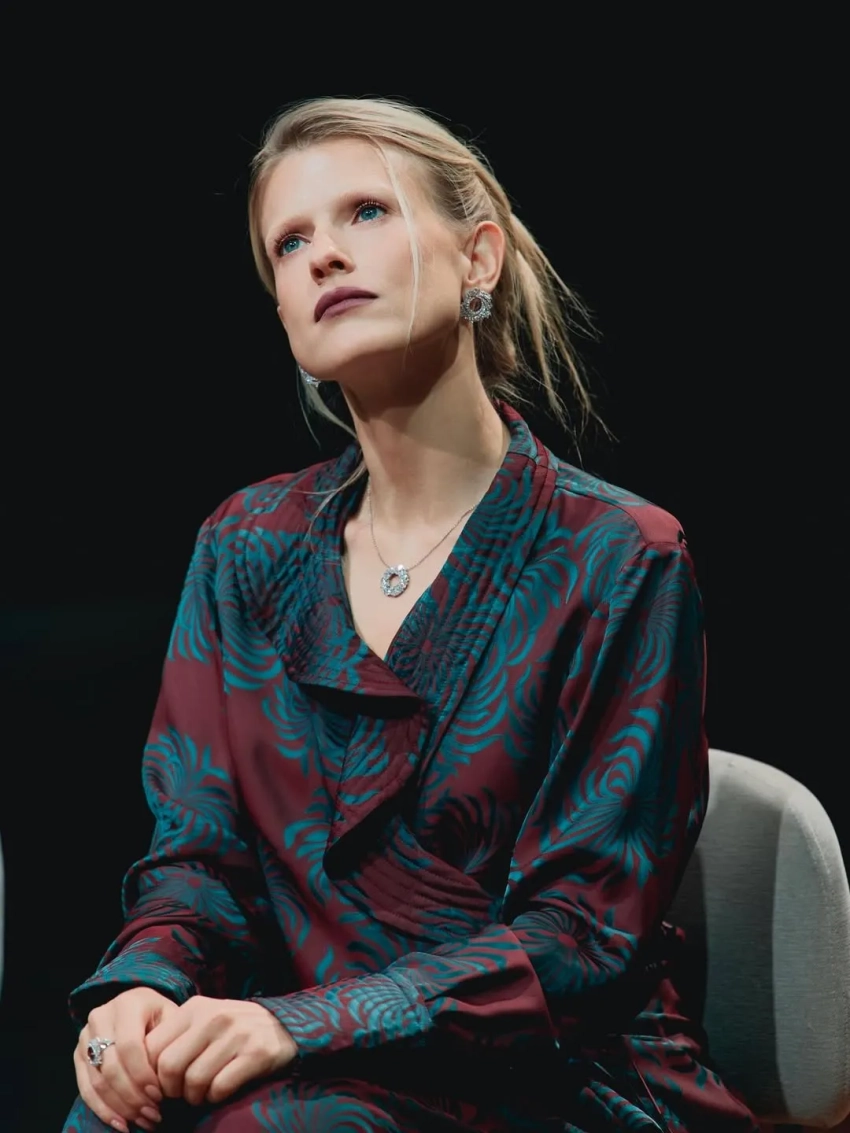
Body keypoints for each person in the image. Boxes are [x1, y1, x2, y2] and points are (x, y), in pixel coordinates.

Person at [62, 97, 760, 1133]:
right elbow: (199, 857)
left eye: (366, 213)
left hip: (552, 1073)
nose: (323, 255)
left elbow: (581, 935)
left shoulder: (621, 558)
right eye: (289, 242)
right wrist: (142, 987)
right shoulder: (244, 545)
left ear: (478, 257)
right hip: (298, 1060)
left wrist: (305, 1022)